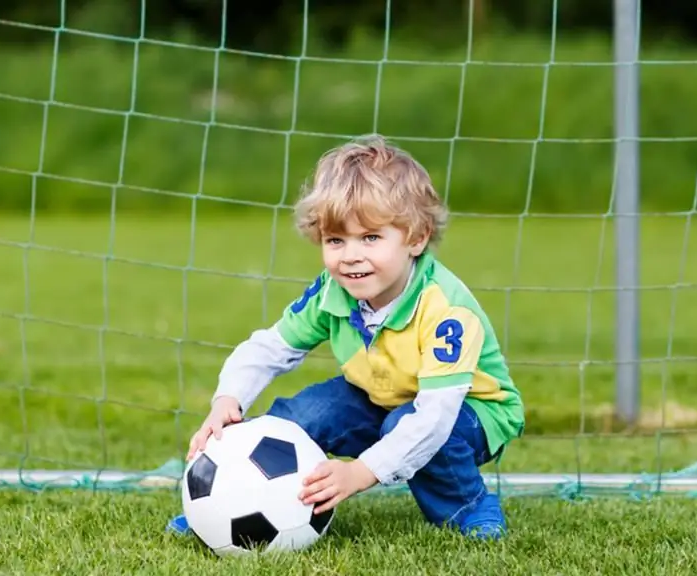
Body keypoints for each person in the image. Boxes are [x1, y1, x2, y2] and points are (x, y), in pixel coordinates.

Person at [166, 134, 524, 541]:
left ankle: (468, 507)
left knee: (409, 425)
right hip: (381, 396)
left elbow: (434, 417)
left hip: (470, 411)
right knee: (302, 416)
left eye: (371, 237)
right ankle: (224, 507)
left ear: (416, 238)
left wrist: (360, 472)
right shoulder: (332, 292)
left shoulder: (445, 309)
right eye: (336, 240)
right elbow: (269, 348)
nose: (350, 255)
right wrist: (227, 400)